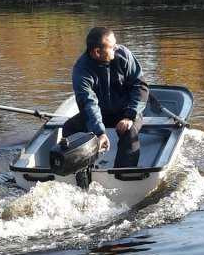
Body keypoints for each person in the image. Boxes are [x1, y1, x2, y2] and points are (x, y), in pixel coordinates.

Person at [62, 26, 149, 168]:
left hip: (126, 111)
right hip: (100, 113)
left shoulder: (124, 55)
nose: (117, 48)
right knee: (69, 129)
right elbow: (88, 103)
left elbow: (140, 86)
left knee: (129, 131)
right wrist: (99, 132)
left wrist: (129, 116)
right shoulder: (81, 70)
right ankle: (80, 168)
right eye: (112, 47)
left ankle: (122, 173)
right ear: (97, 52)